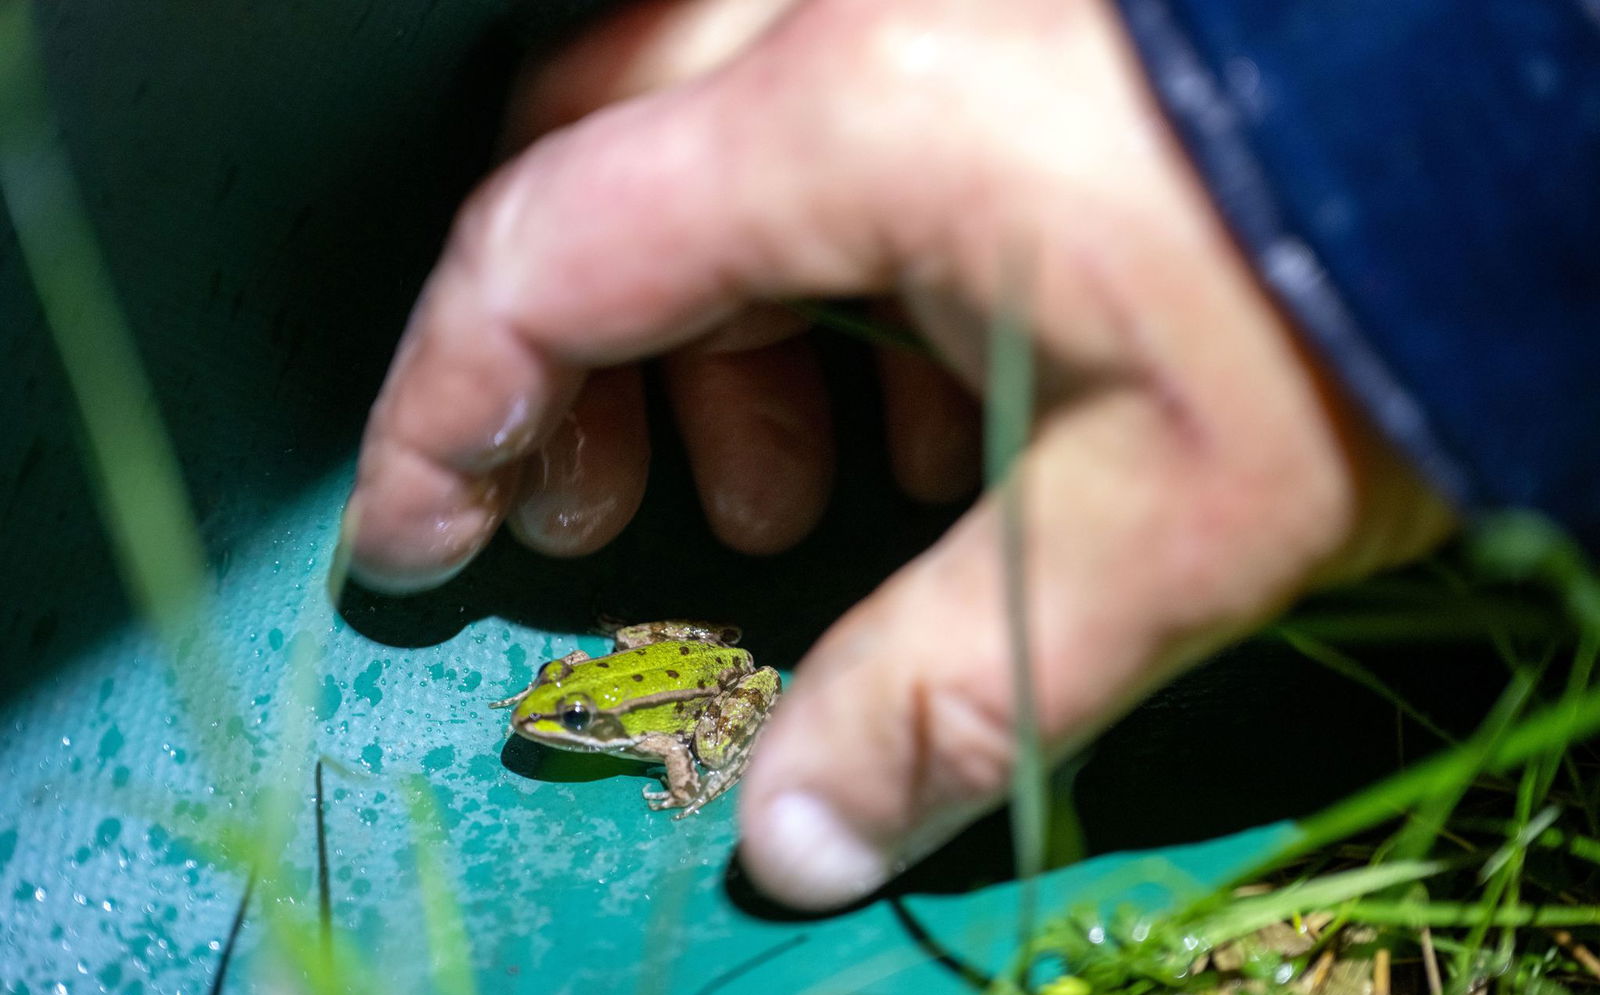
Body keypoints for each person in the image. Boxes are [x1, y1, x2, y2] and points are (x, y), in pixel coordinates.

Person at [339, 0, 1600, 909]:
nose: (543, 716)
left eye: (556, 712)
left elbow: (687, 735)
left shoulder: (633, 727)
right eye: (554, 714)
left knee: (717, 696)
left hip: (700, 684)